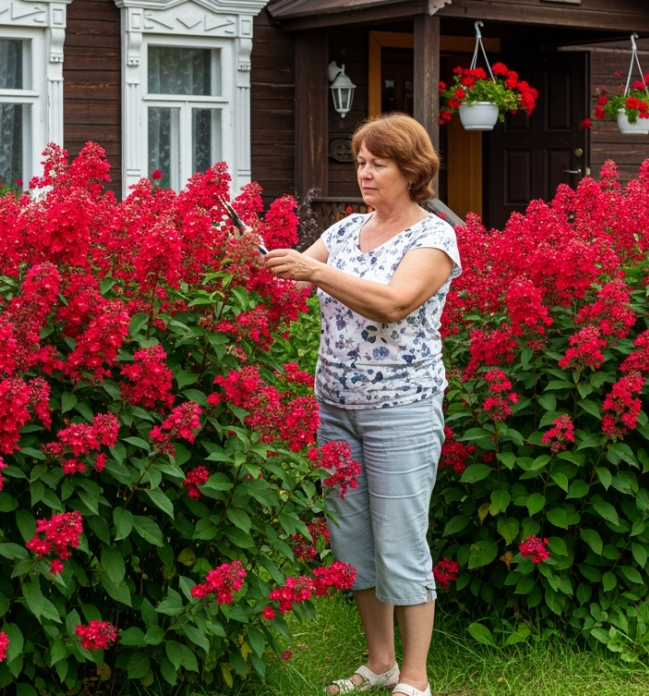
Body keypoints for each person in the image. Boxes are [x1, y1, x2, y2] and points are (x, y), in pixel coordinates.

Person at [263, 112, 461, 696]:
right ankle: (380, 664)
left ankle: (416, 679)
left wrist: (314, 271)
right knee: (352, 543)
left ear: (412, 170)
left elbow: (395, 303)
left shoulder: (433, 238)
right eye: (360, 162)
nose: (365, 173)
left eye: (379, 163)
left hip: (401, 409)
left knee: (400, 541)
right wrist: (259, 257)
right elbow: (295, 279)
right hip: (336, 407)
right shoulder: (347, 229)